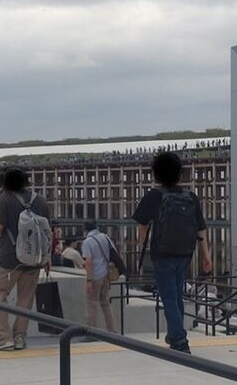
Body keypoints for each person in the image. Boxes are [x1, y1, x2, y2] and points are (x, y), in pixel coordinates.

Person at [131, 151, 212, 354]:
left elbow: (142, 226)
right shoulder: (190, 196)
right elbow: (201, 228)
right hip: (185, 253)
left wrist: (141, 242)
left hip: (162, 254)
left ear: (156, 173)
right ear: (179, 173)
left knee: (168, 297)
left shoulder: (153, 195)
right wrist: (206, 255)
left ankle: (179, 340)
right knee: (176, 295)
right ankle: (174, 333)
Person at [0, 167, 52, 351]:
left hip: (9, 259)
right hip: (34, 260)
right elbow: (47, 232)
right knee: (25, 299)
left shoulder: (5, 199)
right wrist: (47, 257)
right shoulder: (40, 200)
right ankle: (20, 337)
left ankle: (5, 337)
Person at [81, 223, 117, 333]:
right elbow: (113, 253)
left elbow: (88, 262)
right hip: (105, 274)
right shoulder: (105, 237)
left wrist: (88, 280)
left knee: (91, 303)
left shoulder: (87, 242)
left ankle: (92, 332)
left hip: (95, 276)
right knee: (106, 303)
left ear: (85, 230)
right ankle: (112, 330)